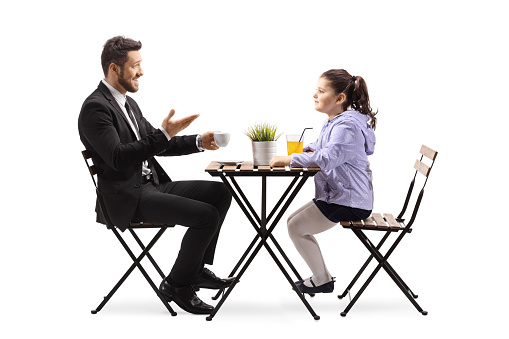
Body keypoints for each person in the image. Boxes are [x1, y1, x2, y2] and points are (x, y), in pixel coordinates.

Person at [78, 36, 234, 314]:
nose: (141, 72)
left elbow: (158, 143)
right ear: (115, 69)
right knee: (206, 216)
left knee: (220, 193)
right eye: (135, 66)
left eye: (141, 64)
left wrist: (198, 141)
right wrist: (162, 135)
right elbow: (117, 157)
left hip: (151, 187)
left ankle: (194, 271)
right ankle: (178, 285)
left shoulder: (128, 104)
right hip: (129, 198)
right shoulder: (96, 108)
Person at [270, 69, 377, 294]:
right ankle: (322, 278)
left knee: (296, 227)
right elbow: (323, 147)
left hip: (349, 201)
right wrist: (306, 150)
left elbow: (327, 158)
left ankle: (322, 281)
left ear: (339, 99)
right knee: (292, 221)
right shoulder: (335, 122)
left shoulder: (345, 126)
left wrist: (290, 159)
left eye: (321, 90)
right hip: (343, 196)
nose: (315, 95)